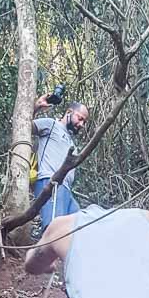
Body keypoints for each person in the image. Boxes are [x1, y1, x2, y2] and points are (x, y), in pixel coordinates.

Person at [32, 94, 89, 228]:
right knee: (53, 229)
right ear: (69, 112)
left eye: (84, 122)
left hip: (66, 191)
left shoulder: (72, 143)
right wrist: (36, 107)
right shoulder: (51, 125)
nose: (81, 124)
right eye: (80, 118)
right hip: (51, 183)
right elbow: (23, 126)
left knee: (77, 230)